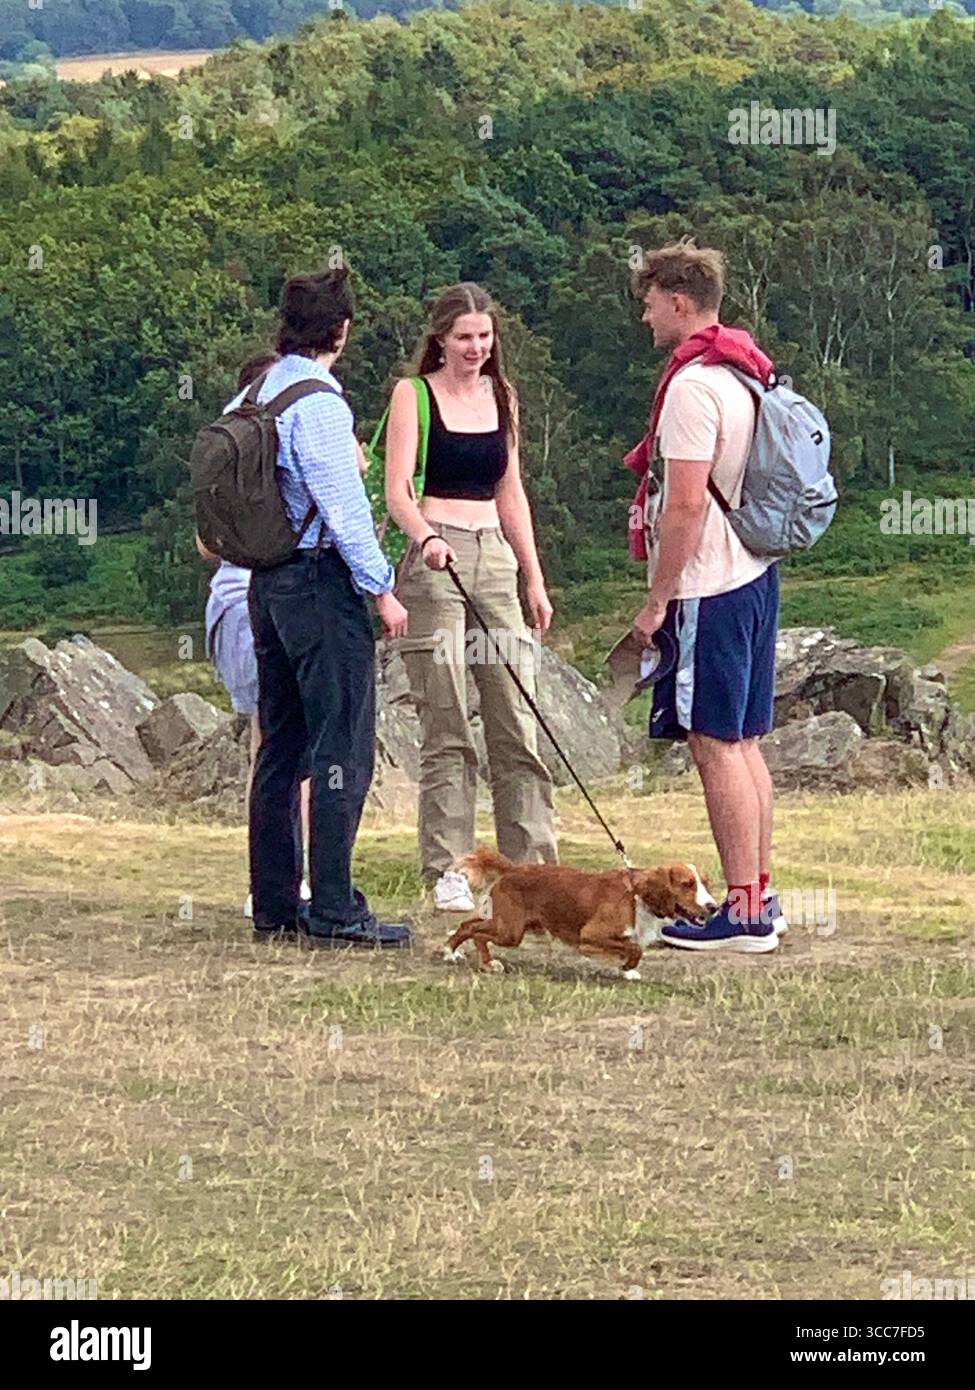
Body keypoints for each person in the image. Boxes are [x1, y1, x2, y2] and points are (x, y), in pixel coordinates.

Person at [227, 268, 411, 947]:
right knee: (342, 742)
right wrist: (381, 589)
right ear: (341, 329)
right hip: (316, 582)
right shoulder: (319, 403)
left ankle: (273, 901)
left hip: (264, 582)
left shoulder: (252, 393)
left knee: (280, 746)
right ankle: (335, 907)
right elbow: (343, 509)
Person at [626, 239, 784, 953]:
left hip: (708, 583)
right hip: (753, 573)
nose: (646, 318)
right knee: (743, 741)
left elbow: (684, 505)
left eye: (650, 303)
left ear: (678, 301)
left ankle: (742, 915)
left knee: (712, 744)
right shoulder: (743, 373)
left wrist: (657, 600)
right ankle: (758, 895)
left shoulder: (691, 388)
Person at [384, 282, 557, 912]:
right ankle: (450, 868)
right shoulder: (414, 395)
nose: (476, 349)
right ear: (440, 339)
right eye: (464, 338)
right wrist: (426, 538)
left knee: (516, 714)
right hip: (436, 554)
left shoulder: (502, 395)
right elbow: (397, 488)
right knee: (448, 719)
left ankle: (532, 869)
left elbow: (512, 492)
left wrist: (532, 576)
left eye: (485, 338)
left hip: (493, 553)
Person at [201, 351, 311, 917]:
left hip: (241, 593)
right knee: (289, 740)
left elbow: (206, 540)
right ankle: (293, 878)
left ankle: (276, 880)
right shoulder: (292, 438)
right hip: (268, 591)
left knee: (269, 742)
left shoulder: (227, 449)